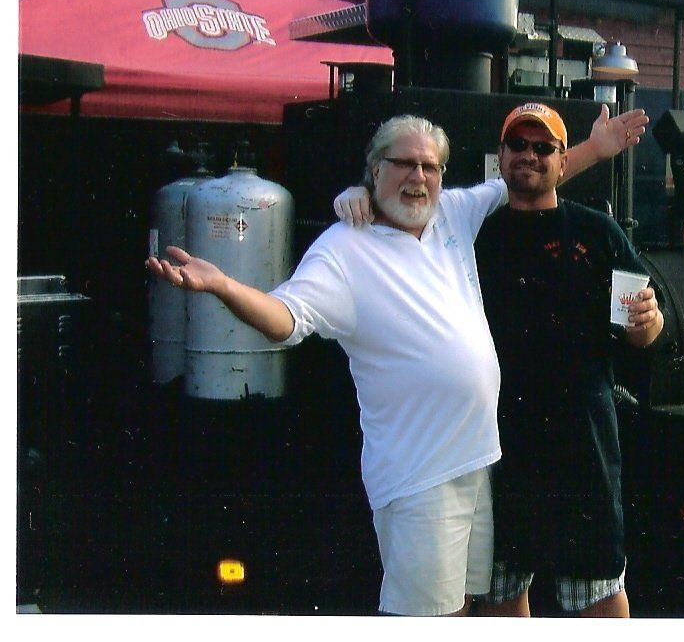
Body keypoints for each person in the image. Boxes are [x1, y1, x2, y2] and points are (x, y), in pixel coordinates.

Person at [146, 105, 647, 617]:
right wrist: (226, 286)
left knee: (468, 613)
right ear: (375, 169)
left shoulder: (452, 214)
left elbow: (530, 177)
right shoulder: (343, 249)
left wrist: (599, 149)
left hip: (478, 465)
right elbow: (285, 318)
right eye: (403, 164)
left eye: (430, 167)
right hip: (418, 478)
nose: (418, 176)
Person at [335, 102, 664, 618]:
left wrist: (650, 324)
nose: (528, 156)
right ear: (501, 155)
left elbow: (644, 328)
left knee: (600, 594)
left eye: (543, 148)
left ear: (560, 160)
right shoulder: (469, 228)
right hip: (494, 451)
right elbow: (408, 205)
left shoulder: (599, 233)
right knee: (503, 597)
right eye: (517, 145)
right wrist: (361, 195)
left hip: (584, 448)